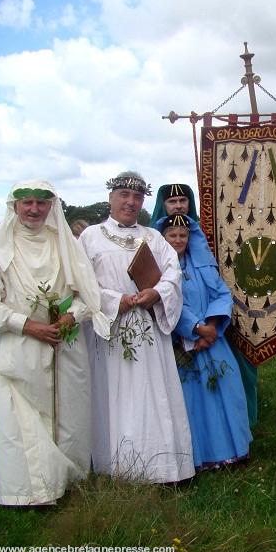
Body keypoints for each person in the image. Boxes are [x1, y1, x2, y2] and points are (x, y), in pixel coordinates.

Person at [0, 180, 110, 506]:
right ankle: (30, 491)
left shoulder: (64, 242)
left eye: (41, 203)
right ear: (15, 206)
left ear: (52, 206)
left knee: (69, 413)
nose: (34, 209)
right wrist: (28, 326)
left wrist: (70, 317)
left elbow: (87, 295)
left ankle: (70, 481)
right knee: (23, 419)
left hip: (65, 345)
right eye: (27, 203)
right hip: (21, 347)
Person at [79, 172, 195, 483]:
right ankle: (115, 464)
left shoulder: (154, 237)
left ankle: (160, 466)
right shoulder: (90, 237)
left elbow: (173, 275)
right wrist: (116, 300)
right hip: (110, 329)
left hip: (148, 327)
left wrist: (156, 293)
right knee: (115, 395)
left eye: (137, 198)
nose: (130, 202)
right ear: (111, 198)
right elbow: (80, 284)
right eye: (124, 196)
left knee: (152, 394)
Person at [151, 182, 259, 428]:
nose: (178, 206)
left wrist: (211, 326)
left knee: (227, 385)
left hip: (214, 331)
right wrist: (196, 328)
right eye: (172, 202)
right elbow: (165, 297)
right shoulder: (154, 248)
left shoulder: (201, 242)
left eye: (183, 201)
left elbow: (219, 288)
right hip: (176, 335)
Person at [157, 214, 252, 470]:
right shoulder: (160, 269)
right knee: (194, 401)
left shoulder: (203, 265)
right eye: (172, 235)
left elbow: (222, 293)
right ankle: (198, 458)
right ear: (163, 237)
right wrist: (196, 329)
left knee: (228, 390)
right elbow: (167, 302)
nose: (178, 240)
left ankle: (234, 451)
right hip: (183, 343)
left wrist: (211, 327)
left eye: (183, 235)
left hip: (213, 339)